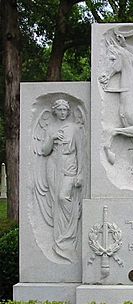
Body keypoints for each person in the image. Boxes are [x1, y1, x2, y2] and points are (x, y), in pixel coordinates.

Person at [40, 99, 83, 263]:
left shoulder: (75, 128)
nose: (63, 112)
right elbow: (44, 151)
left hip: (69, 165)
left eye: (66, 110)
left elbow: (80, 152)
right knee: (55, 202)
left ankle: (68, 237)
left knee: (63, 197)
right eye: (60, 110)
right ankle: (59, 242)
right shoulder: (50, 128)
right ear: (55, 111)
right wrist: (51, 137)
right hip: (53, 165)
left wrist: (80, 174)